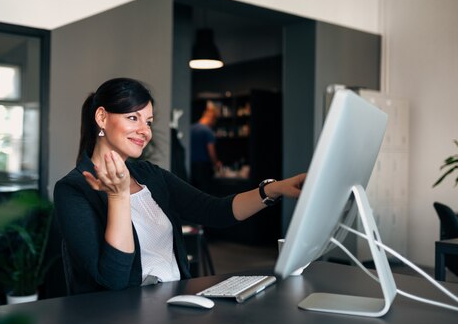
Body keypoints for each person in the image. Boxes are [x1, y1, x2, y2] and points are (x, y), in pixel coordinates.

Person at [53, 78, 305, 294]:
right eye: (133, 118)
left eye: (148, 122)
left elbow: (215, 210)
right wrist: (119, 198)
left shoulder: (149, 175)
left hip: (173, 306)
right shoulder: (73, 190)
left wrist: (275, 189)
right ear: (102, 117)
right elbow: (114, 281)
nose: (145, 131)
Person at [190, 101, 222, 191]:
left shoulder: (191, 128)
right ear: (212, 118)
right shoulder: (208, 131)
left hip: (191, 166)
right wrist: (216, 163)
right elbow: (211, 151)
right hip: (203, 168)